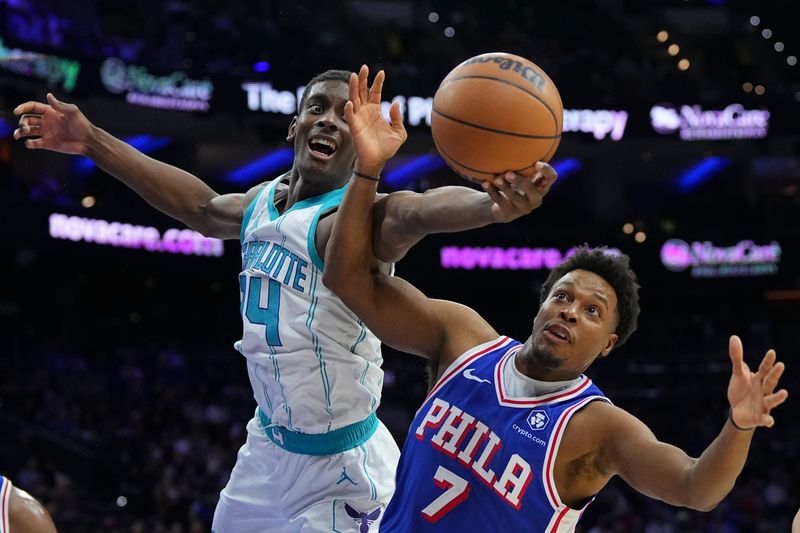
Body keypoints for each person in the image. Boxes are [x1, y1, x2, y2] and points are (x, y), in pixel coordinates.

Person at [12, 66, 556, 532]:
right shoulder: (260, 203)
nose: (329, 119)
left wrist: (490, 208)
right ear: (294, 125)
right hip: (267, 448)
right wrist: (90, 140)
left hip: (341, 466)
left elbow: (418, 211)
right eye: (318, 108)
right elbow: (198, 208)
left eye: (347, 116)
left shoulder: (356, 220)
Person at [323, 89, 790, 530]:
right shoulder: (461, 337)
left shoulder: (598, 427)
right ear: (541, 305)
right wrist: (367, 170)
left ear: (609, 344)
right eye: (563, 296)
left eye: (592, 311)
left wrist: (739, 425)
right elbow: (348, 278)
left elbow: (694, 487)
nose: (569, 312)